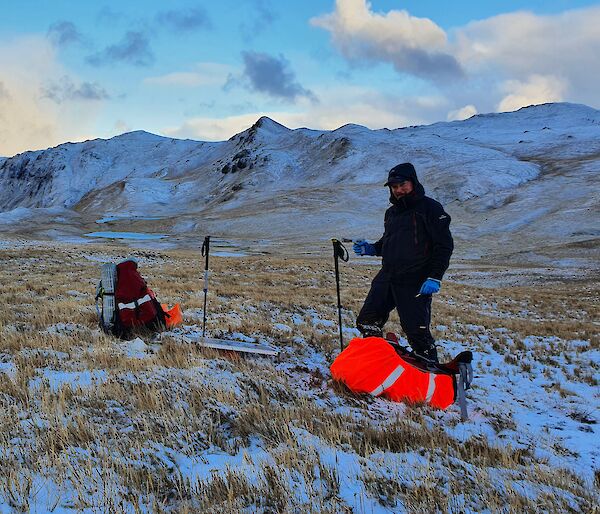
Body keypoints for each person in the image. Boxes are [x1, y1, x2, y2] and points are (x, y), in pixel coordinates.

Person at [353, 162, 453, 363]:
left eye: (402, 185)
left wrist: (435, 277)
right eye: (394, 186)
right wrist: (372, 248)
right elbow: (389, 242)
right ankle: (378, 361)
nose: (398, 190)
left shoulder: (430, 208)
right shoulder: (391, 213)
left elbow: (444, 246)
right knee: (367, 321)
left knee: (417, 333)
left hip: (416, 280)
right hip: (387, 276)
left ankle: (430, 371)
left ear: (413, 183)